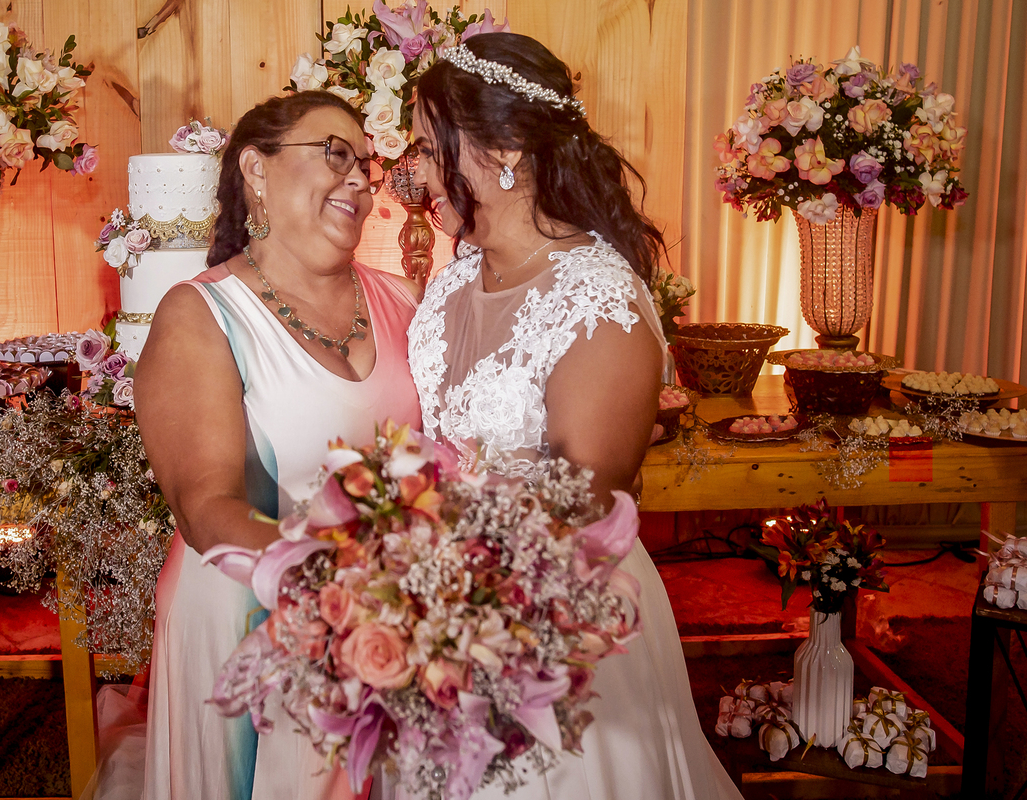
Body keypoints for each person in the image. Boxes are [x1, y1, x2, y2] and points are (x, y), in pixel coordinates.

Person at [405, 33, 744, 799]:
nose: (417, 172)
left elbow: (585, 492)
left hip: (558, 609)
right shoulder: (454, 283)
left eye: (432, 149)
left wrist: (441, 567)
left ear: (506, 149)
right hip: (442, 602)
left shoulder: (597, 298)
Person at [132, 91, 423, 800]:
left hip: (389, 623)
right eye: (334, 154)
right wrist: (344, 589)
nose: (359, 177)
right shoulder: (200, 315)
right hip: (248, 619)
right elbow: (205, 507)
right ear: (255, 171)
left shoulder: (406, 301)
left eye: (366, 164)